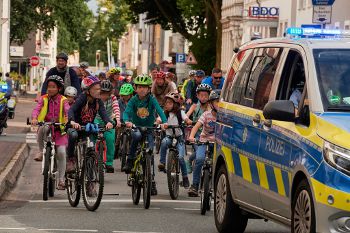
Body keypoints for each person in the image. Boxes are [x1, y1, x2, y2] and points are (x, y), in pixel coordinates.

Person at [122, 74, 167, 195]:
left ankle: (151, 181)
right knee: (136, 137)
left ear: (148, 89)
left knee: (150, 153)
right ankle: (130, 160)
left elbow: (159, 110)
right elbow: (126, 112)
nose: (142, 89)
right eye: (139, 87)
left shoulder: (151, 99)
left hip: (149, 129)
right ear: (135, 88)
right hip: (136, 127)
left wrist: (164, 122)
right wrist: (127, 121)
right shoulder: (133, 100)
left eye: (145, 87)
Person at [66, 76, 114, 172]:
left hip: (88, 128)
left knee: (91, 148)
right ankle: (70, 159)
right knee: (73, 135)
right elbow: (71, 110)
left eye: (99, 88)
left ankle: (89, 174)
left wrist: (108, 122)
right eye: (96, 89)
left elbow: (103, 113)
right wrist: (72, 121)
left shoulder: (98, 101)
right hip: (76, 127)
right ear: (87, 91)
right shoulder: (82, 98)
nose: (99, 91)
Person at [31, 75, 70, 190]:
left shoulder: (64, 100)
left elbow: (68, 111)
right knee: (42, 129)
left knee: (62, 152)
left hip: (60, 130)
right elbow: (37, 109)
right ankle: (40, 151)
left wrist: (69, 120)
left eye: (53, 87)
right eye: (49, 87)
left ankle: (62, 180)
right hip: (47, 126)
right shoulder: (43, 98)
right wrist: (34, 118)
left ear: (59, 88)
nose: (50, 89)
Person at [187, 90, 220, 197]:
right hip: (204, 141)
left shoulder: (224, 117)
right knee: (200, 159)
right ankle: (195, 186)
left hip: (218, 144)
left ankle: (217, 187)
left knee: (218, 165)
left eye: (221, 102)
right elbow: (196, 127)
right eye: (216, 101)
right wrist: (191, 136)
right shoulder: (206, 115)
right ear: (211, 103)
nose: (219, 104)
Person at [158, 92, 192, 188]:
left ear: (175, 104)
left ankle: (185, 177)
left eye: (169, 103)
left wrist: (188, 121)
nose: (167, 105)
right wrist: (157, 122)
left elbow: (186, 118)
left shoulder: (180, 112)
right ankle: (162, 162)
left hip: (179, 138)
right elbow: (159, 119)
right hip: (169, 137)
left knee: (181, 158)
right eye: (166, 103)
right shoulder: (164, 113)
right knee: (164, 142)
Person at [94, 80, 121, 173]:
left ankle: (109, 163)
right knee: (93, 139)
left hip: (108, 121)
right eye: (102, 93)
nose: (104, 96)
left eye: (106, 93)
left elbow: (116, 108)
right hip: (96, 119)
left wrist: (117, 120)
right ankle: (94, 159)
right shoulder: (95, 98)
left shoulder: (113, 98)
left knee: (110, 139)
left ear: (110, 93)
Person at [186, 83, 212, 173]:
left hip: (207, 133)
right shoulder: (194, 106)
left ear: (209, 96)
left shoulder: (210, 108)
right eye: (201, 95)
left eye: (206, 95)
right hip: (196, 134)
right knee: (199, 151)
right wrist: (187, 120)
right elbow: (187, 115)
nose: (203, 98)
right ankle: (189, 160)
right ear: (197, 96)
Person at [115, 83, 134, 162]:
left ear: (130, 94)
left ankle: (134, 150)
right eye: (123, 95)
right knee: (118, 137)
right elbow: (115, 110)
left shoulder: (134, 101)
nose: (125, 97)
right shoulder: (119, 101)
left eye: (127, 95)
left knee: (134, 136)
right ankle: (116, 150)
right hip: (122, 123)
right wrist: (116, 119)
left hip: (132, 123)